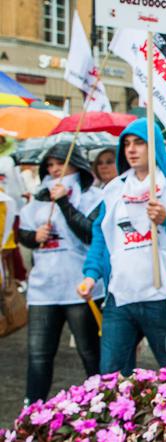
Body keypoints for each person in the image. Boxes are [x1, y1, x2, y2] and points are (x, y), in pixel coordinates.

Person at [77, 118, 166, 376]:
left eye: (139, 143)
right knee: (112, 375)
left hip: (162, 300)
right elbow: (101, 236)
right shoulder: (112, 191)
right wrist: (90, 274)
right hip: (120, 299)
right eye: (127, 144)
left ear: (156, 147)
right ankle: (121, 418)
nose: (131, 149)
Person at [19, 145, 103, 404]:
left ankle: (102, 403)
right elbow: (24, 234)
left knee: (89, 352)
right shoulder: (38, 199)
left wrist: (65, 203)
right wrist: (34, 237)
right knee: (39, 354)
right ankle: (32, 410)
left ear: (76, 165)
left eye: (60, 164)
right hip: (44, 291)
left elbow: (90, 234)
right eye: (50, 165)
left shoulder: (93, 198)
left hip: (80, 289)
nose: (55, 170)